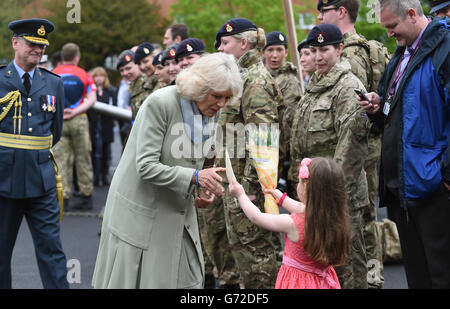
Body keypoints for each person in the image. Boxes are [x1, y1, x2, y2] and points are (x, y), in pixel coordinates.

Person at [92, 53, 243, 289]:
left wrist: (202, 186)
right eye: (217, 96)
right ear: (199, 87)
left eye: (227, 97)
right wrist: (194, 178)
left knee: (187, 282)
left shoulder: (213, 109)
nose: (222, 104)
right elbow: (146, 166)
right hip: (140, 215)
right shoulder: (160, 103)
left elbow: (204, 154)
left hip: (177, 213)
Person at [357, 0, 450, 289]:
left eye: (392, 27)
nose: (388, 34)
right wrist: (378, 107)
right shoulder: (401, 55)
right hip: (404, 191)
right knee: (419, 277)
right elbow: (394, 112)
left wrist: (445, 175)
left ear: (411, 14)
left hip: (433, 190)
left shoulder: (444, 50)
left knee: (441, 275)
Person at [289, 23, 371, 289]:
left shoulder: (348, 87)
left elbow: (351, 148)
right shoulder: (315, 86)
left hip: (338, 197)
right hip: (314, 196)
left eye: (324, 50)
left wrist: (329, 197)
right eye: (313, 51)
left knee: (345, 268)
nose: (318, 57)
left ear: (339, 49)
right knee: (319, 270)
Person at [317, 0, 391, 288]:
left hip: (360, 151)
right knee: (366, 218)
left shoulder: (351, 52)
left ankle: (371, 278)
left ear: (341, 11)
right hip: (366, 148)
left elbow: (354, 109)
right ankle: (371, 276)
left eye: (324, 11)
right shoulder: (364, 46)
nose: (319, 16)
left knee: (362, 221)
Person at [211, 17, 284, 289]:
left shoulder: (254, 80)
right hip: (237, 184)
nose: (220, 48)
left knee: (256, 258)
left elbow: (264, 142)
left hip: (248, 187)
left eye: (225, 42)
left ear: (243, 43)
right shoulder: (240, 78)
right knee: (245, 257)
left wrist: (252, 189)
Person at [0, 18, 68, 289]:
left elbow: (56, 131)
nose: (37, 50)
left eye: (41, 46)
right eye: (31, 44)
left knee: (52, 252)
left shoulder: (53, 84)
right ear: (15, 42)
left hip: (42, 183)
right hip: (3, 182)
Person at [229, 157, 349, 289]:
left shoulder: (293, 224)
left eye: (299, 181)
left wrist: (240, 195)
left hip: (297, 283)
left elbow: (256, 217)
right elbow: (300, 207)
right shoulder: (333, 217)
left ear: (306, 187)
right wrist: (281, 198)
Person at [53, 43, 97, 211]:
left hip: (59, 120)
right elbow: (92, 98)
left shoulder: (53, 74)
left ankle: (63, 197)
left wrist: (62, 112)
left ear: (62, 57)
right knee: (83, 157)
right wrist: (75, 111)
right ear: (76, 57)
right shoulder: (84, 74)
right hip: (79, 119)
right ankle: (86, 196)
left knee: (60, 159)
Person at [262, 31, 302, 196]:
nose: (274, 55)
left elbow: (286, 125)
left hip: (277, 151)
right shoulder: (262, 77)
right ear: (263, 52)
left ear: (286, 52)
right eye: (270, 50)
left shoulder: (289, 81)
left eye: (279, 50)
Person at [87, 67, 117, 187]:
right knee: (93, 152)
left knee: (106, 152)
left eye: (102, 76)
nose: (99, 78)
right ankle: (95, 176)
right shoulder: (90, 91)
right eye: (96, 76)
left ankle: (104, 176)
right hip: (93, 125)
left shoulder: (110, 90)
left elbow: (114, 106)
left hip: (106, 125)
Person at [116, 49, 139, 149]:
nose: (125, 73)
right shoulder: (128, 85)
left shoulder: (148, 83)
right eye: (122, 70)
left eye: (128, 68)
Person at [129, 42, 158, 120]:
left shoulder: (164, 79)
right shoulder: (143, 82)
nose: (142, 67)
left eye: (145, 61)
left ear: (155, 57)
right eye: (139, 64)